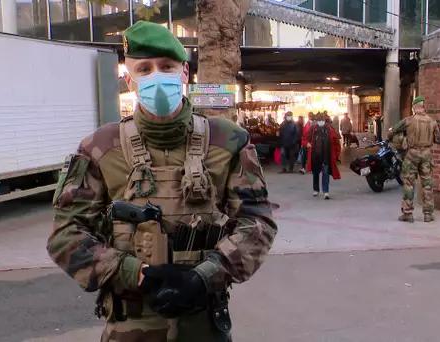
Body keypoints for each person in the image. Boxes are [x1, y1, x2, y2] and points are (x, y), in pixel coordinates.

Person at [46, 20, 278, 342]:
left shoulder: (228, 141)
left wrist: (204, 276)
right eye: (144, 69)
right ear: (129, 81)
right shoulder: (100, 148)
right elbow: (65, 235)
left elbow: (257, 224)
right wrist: (135, 274)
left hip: (204, 324)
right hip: (130, 326)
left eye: (167, 66)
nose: (157, 77)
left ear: (184, 73)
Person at [387, 95, 440, 223]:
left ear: (414, 107)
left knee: (408, 183)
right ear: (424, 107)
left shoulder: (408, 120)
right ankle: (428, 214)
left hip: (411, 154)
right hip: (427, 154)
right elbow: (438, 139)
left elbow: (392, 131)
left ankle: (408, 213)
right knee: (427, 185)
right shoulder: (433, 122)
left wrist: (398, 139)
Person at [304, 113, 341, 199]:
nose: (321, 122)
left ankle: (326, 191)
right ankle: (316, 189)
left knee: (325, 173)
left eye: (322, 121)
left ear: (325, 121)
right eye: (319, 121)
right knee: (316, 173)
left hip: (326, 155)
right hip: (315, 155)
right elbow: (304, 137)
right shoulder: (312, 128)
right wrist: (307, 144)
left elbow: (336, 142)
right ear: (317, 121)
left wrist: (336, 155)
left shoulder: (329, 129)